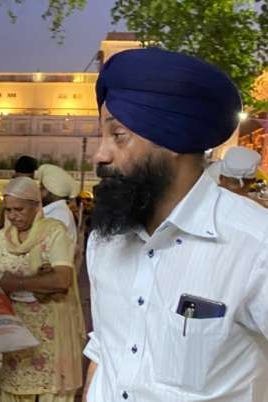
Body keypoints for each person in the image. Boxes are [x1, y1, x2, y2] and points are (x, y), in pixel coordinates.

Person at [84, 47, 268, 402]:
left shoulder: (254, 245)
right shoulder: (105, 241)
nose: (100, 155)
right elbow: (104, 353)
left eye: (118, 135)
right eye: (101, 136)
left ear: (173, 138)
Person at [0, 176, 85, 402]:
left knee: (51, 391)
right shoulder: (5, 238)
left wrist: (15, 282)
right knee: (16, 390)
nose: (13, 216)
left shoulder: (53, 232)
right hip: (17, 334)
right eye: (8, 211)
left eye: (19, 209)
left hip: (51, 334)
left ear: (36, 206)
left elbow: (62, 279)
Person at [35, 164, 80, 242]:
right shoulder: (57, 211)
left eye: (42, 188)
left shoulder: (58, 215)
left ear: (51, 191)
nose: (39, 191)